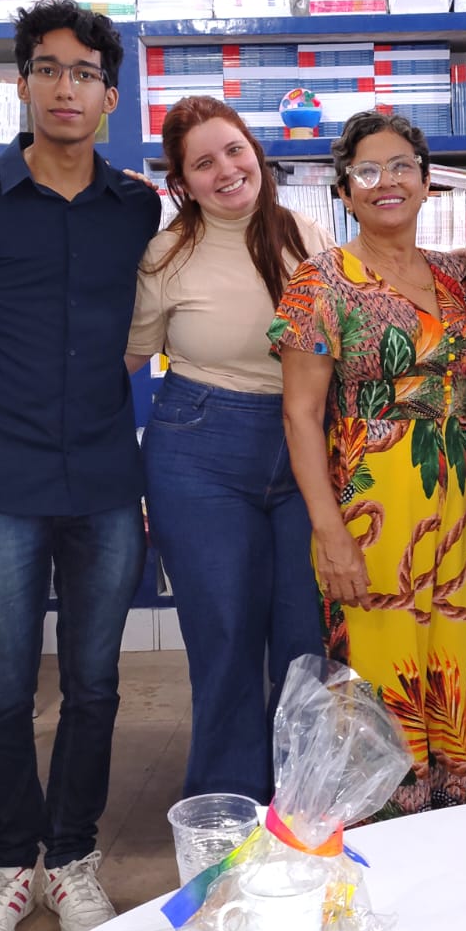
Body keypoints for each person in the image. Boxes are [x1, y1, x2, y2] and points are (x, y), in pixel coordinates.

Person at [0, 0, 161, 931]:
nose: (66, 88)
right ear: (22, 83)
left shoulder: (137, 208)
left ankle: (69, 856)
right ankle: (2, 865)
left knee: (98, 684)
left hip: (108, 476)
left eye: (84, 74)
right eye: (48, 69)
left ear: (110, 96)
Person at [270, 110, 466, 815]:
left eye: (402, 166)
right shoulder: (321, 281)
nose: (387, 182)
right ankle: (388, 830)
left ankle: (449, 814)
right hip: (369, 510)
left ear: (428, 183)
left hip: (453, 504)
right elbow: (300, 414)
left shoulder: (463, 276)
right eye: (368, 171)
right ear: (344, 191)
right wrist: (329, 531)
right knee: (378, 676)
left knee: (450, 666)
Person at [124, 95, 331, 804]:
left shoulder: (306, 234)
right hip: (200, 451)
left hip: (304, 444)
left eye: (234, 150)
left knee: (307, 646)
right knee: (227, 644)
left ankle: (306, 817)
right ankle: (229, 822)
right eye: (203, 164)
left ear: (257, 152)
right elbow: (129, 355)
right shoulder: (164, 254)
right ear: (181, 183)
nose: (227, 171)